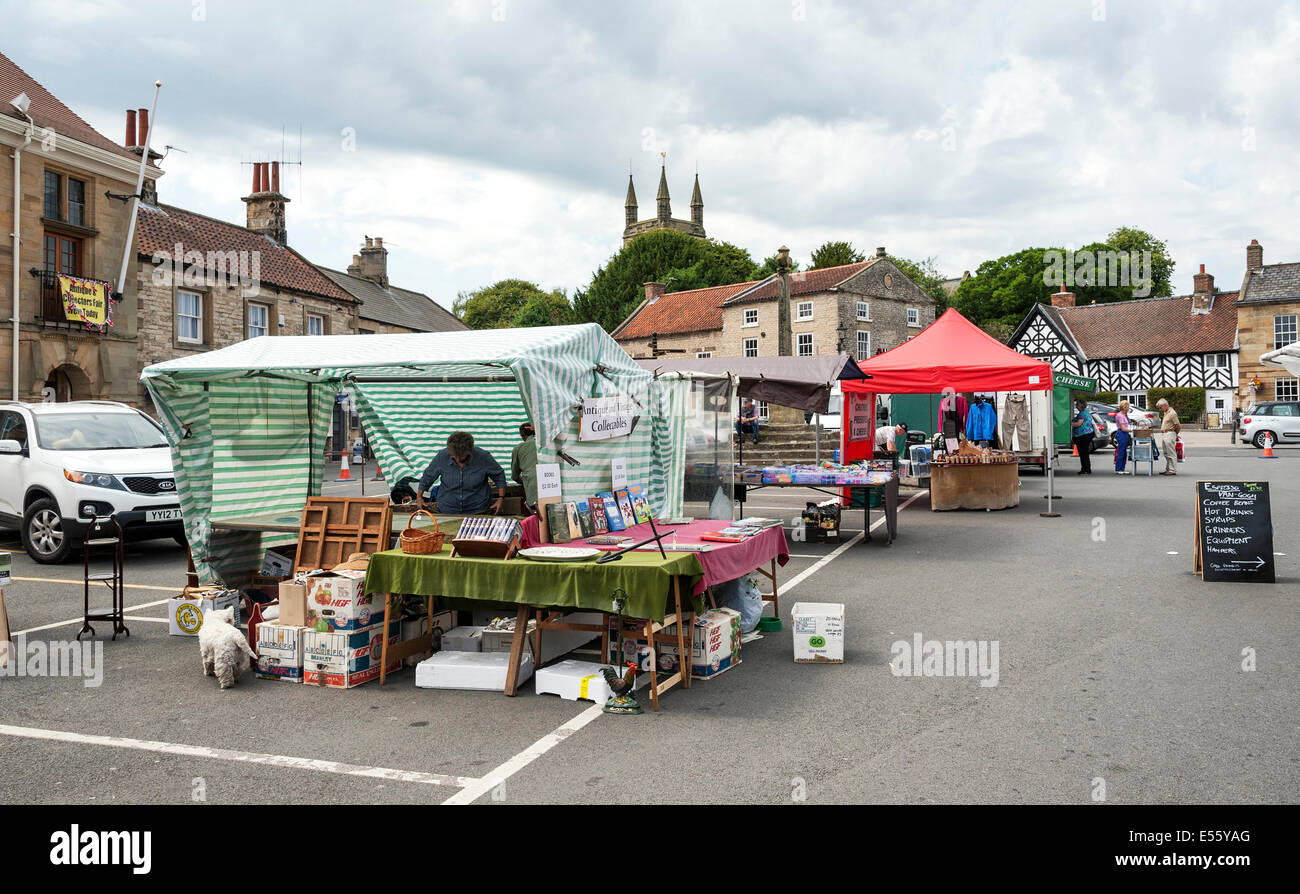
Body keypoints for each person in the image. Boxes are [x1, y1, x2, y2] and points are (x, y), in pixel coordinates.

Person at [416, 431, 506, 514]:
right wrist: (419, 497)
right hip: (448, 509)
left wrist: (501, 498)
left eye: (462, 456)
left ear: (470, 451)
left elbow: (499, 475)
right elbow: (428, 477)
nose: (458, 459)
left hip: (478, 509)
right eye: (455, 456)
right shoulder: (442, 456)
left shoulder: (483, 457)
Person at [510, 422, 538, 509]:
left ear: (522, 435)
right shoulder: (546, 444)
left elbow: (515, 476)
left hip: (533, 493)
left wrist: (526, 481)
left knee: (537, 520)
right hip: (552, 489)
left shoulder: (518, 448)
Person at [1070, 399, 1094, 474]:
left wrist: (1070, 424)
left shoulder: (1082, 414)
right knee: (1085, 452)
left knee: (1083, 453)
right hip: (1087, 434)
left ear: (1081, 406)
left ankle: (1085, 469)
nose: (1076, 406)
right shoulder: (1085, 412)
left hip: (1083, 435)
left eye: (1077, 405)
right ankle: (1087, 469)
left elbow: (1079, 424)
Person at [1156, 398, 1180, 475]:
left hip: (1170, 433)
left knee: (1171, 452)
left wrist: (1175, 434)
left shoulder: (1172, 413)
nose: (1160, 409)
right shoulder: (1166, 412)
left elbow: (1178, 425)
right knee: (1166, 453)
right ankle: (1168, 469)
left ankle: (1172, 470)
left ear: (1165, 405)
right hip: (1165, 434)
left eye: (1160, 407)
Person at [1113, 400, 1133, 474]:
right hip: (1122, 433)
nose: (1128, 409)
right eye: (1128, 407)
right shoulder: (1120, 415)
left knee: (1124, 452)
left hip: (1124, 434)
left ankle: (1122, 468)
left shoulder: (1123, 415)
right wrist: (1131, 430)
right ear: (1124, 407)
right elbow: (1123, 428)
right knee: (1121, 452)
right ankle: (1118, 469)